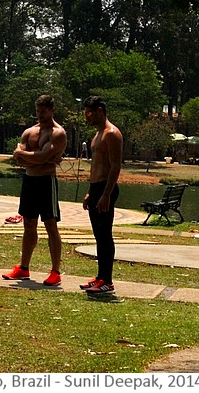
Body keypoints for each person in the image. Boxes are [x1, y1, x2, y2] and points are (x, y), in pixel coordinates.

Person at [2, 94, 67, 286]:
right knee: (28, 224)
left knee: (50, 224)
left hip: (46, 181)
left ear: (52, 110)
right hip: (30, 180)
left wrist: (29, 155)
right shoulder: (29, 132)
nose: (40, 115)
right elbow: (19, 159)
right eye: (38, 111)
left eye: (43, 111)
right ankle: (23, 268)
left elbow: (35, 157)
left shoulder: (58, 133)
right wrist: (39, 157)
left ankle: (55, 271)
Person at [80, 96, 123, 294]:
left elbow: (115, 167)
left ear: (100, 110)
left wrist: (106, 194)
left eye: (89, 112)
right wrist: (91, 191)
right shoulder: (97, 135)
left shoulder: (111, 134)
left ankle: (107, 281)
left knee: (105, 235)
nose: (86, 116)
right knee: (98, 235)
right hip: (96, 188)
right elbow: (96, 165)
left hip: (107, 188)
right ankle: (100, 276)